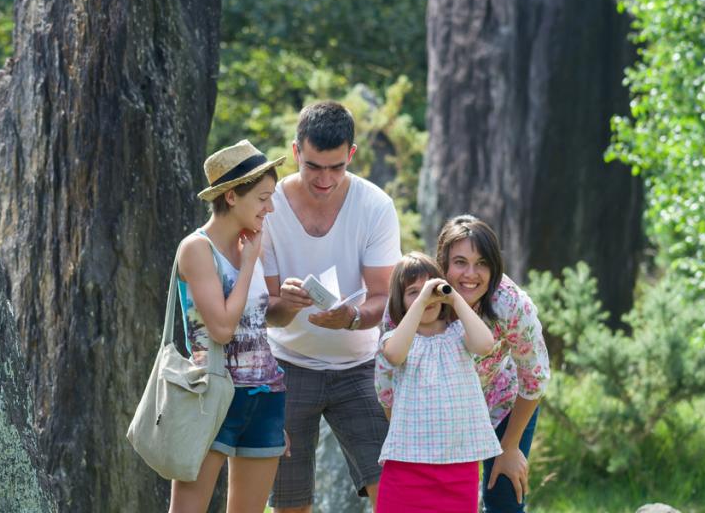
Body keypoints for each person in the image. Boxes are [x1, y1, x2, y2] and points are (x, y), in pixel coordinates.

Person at [262, 101, 402, 511]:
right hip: (287, 363)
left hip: (359, 366)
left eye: (336, 167)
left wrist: (353, 317)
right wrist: (285, 305)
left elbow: (384, 297)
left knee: (391, 488)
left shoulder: (375, 205)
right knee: (290, 501)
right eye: (313, 166)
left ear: (352, 155)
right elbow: (268, 310)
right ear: (295, 152)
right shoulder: (269, 208)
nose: (325, 179)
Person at [376, 216, 549, 512]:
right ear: (442, 263)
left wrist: (509, 446)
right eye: (460, 262)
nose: (471, 274)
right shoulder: (412, 301)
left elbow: (534, 377)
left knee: (504, 497)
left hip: (501, 404)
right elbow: (386, 384)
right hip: (434, 418)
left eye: (482, 263)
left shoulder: (510, 304)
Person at [169, 140, 291, 513]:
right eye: (262, 198)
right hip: (212, 396)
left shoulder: (248, 245)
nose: (270, 208)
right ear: (232, 196)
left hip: (266, 396)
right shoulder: (196, 249)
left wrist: (290, 304)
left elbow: (256, 324)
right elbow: (222, 329)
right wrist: (250, 263)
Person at [375, 252, 500, 512]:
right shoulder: (395, 338)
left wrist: (453, 297)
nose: (426, 297)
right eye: (413, 292)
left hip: (458, 464)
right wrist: (421, 302)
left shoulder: (459, 335)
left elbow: (486, 344)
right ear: (401, 302)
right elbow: (395, 355)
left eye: (431, 288)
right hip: (406, 465)